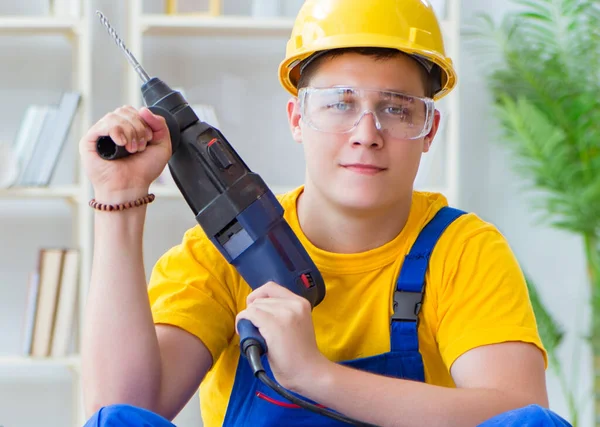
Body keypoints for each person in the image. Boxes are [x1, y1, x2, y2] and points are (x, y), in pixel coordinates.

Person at [79, 0, 572, 426]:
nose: (367, 132)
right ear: (298, 118)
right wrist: (117, 204)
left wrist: (316, 376)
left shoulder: (462, 250)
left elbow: (519, 416)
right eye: (339, 104)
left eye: (397, 109)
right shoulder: (221, 251)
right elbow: (120, 410)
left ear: (429, 130)